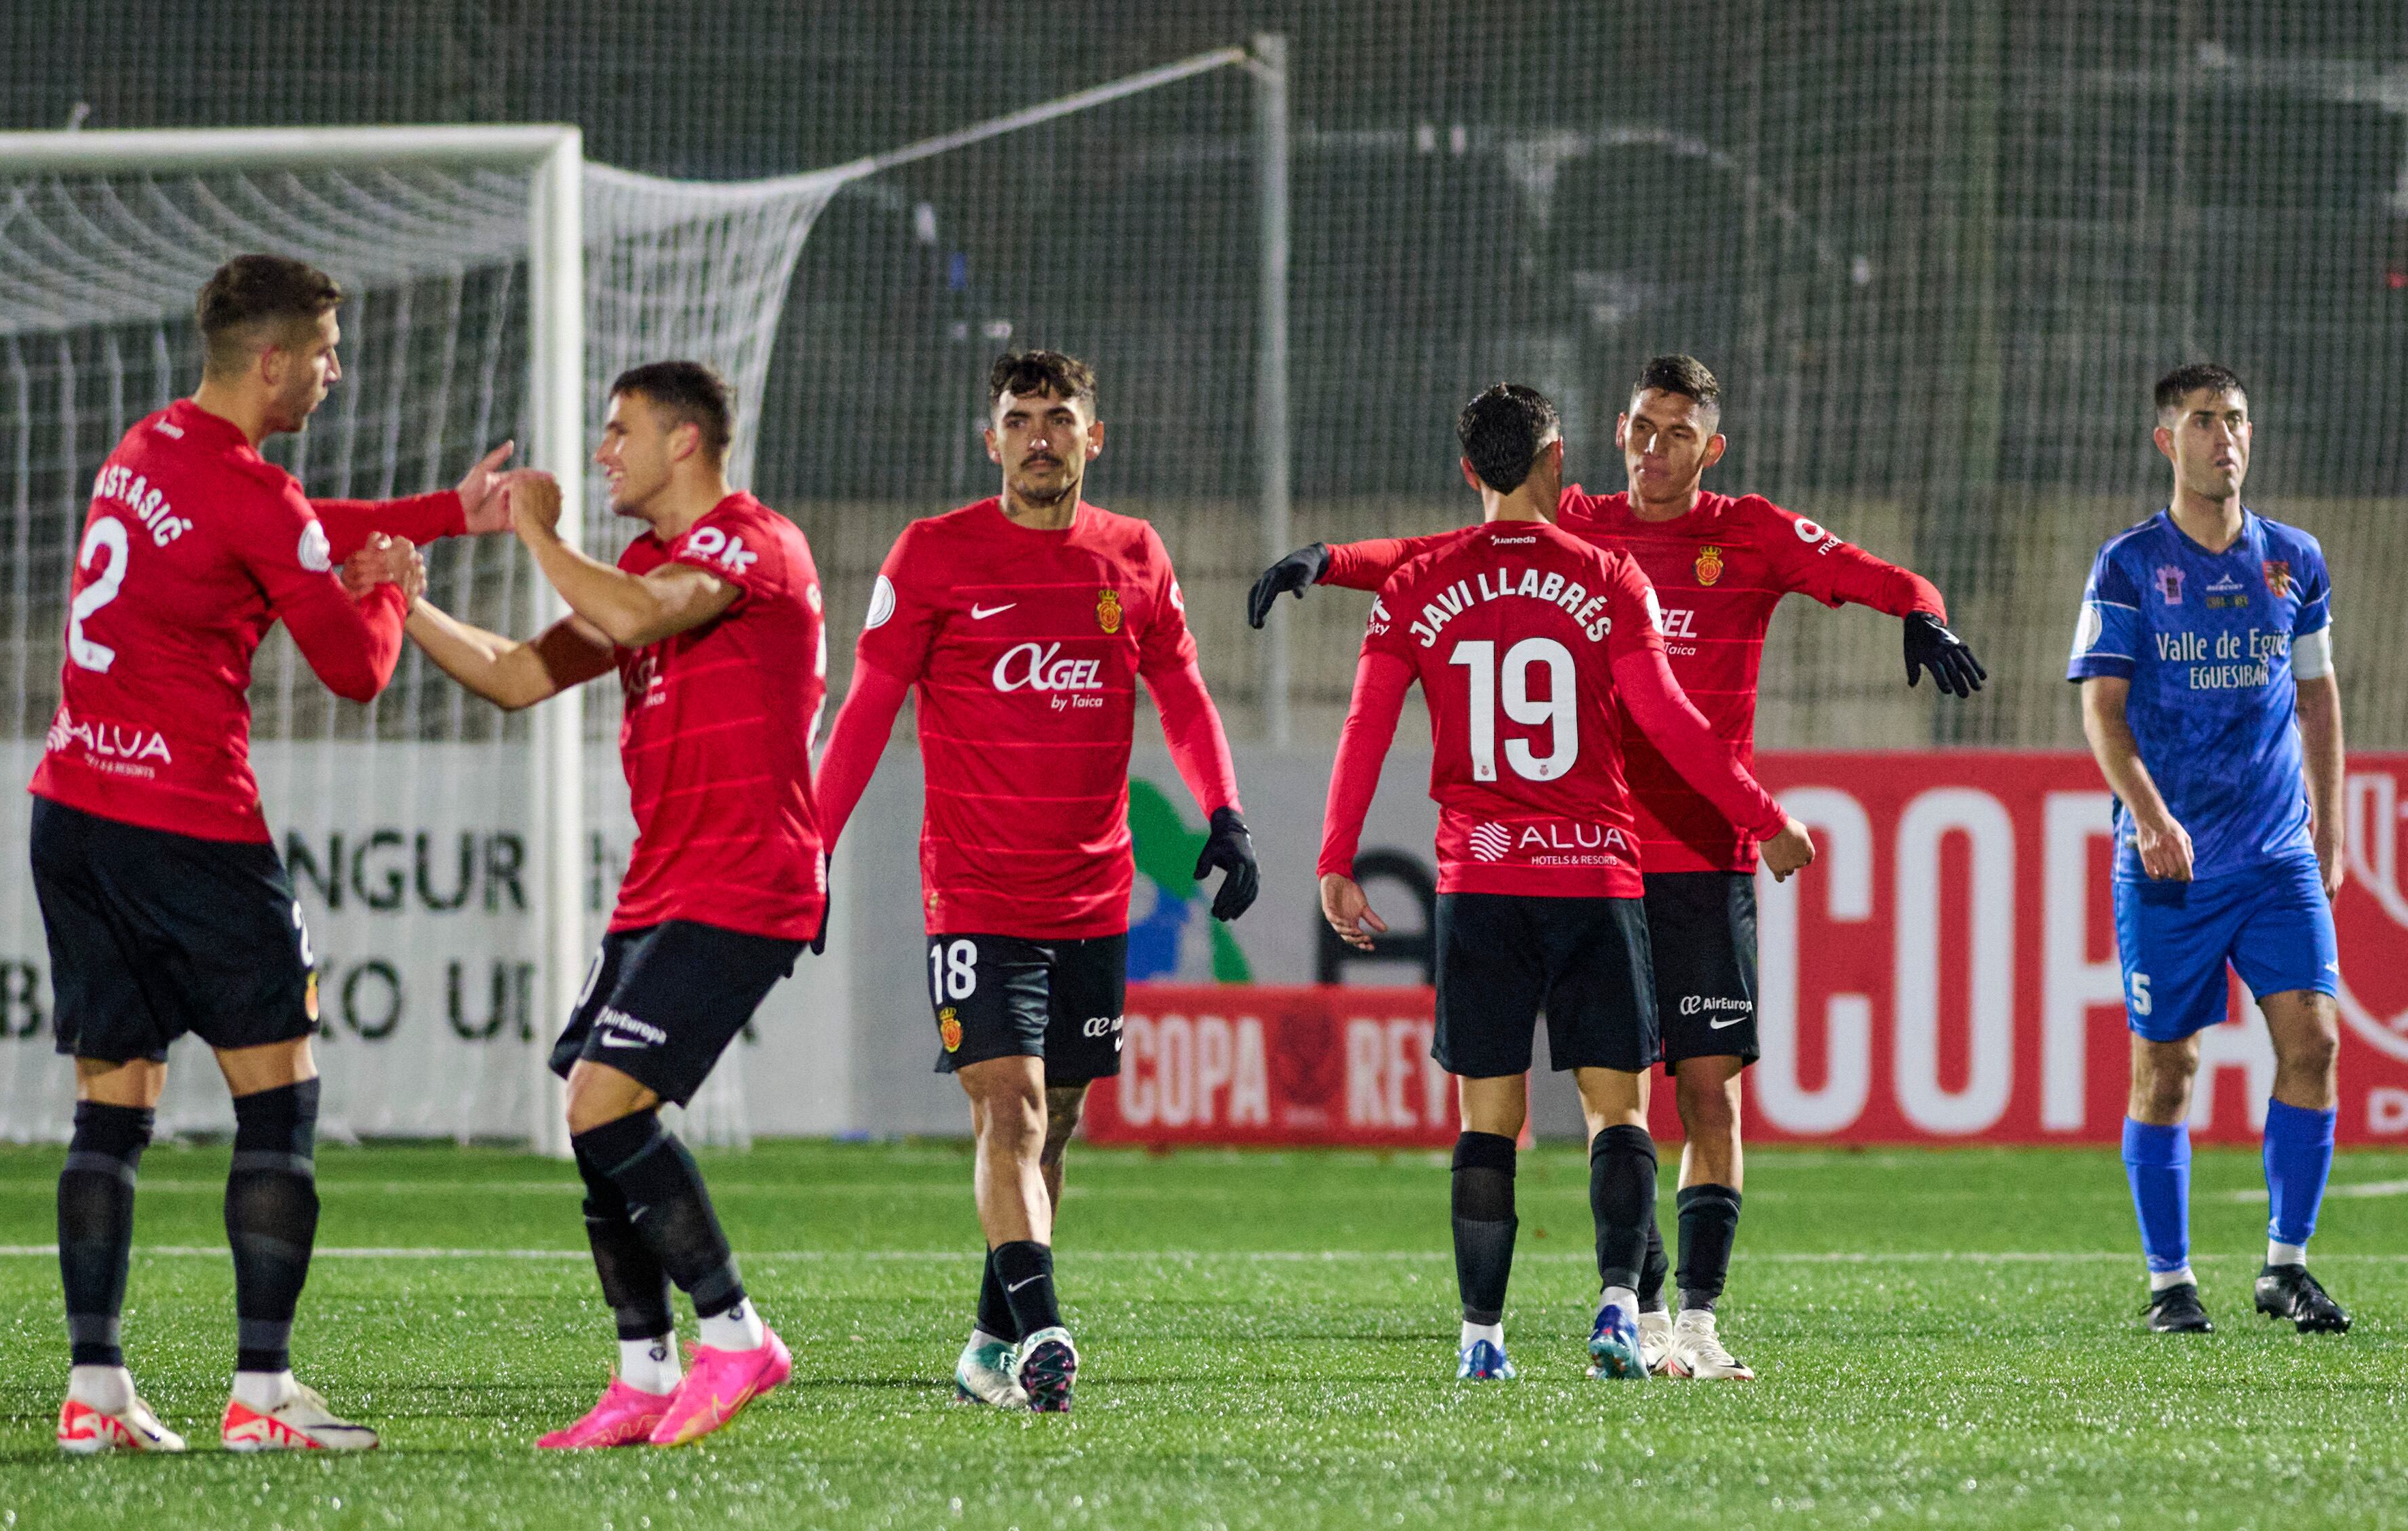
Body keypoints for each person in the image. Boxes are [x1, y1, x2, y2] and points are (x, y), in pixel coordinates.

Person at [1253, 354, 1981, 1379]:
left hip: (1705, 856)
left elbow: (1880, 577)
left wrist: (1923, 609)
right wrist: (1334, 559)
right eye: (1639, 428)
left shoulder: (1752, 531)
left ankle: (1696, 1318)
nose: (1651, 449)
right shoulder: (1586, 532)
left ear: (1710, 448)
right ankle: (1632, 1308)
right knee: (1623, 1094)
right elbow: (1444, 551)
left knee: (1709, 1092)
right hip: (1608, 856)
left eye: (1676, 433)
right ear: (1609, 437)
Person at [40, 253, 521, 1453]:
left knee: (112, 1108)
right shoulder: (256, 498)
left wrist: (440, 515)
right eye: (324, 349)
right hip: (189, 831)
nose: (335, 368)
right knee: (281, 1098)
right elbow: (354, 669)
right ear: (273, 361)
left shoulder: (144, 449)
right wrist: (397, 590)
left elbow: (297, 528)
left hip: (72, 810)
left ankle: (93, 1390)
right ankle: (262, 1392)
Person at [1315, 382, 1810, 1382]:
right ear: (1556, 459)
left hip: (1479, 885)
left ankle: (1482, 1341)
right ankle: (1621, 1309)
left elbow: (1364, 731)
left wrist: (1336, 858)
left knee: (1486, 1123)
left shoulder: (1414, 585)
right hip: (1593, 876)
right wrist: (1766, 817)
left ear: (1469, 472)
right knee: (1616, 1111)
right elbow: (1671, 722)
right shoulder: (1610, 575)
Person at [816, 350, 1258, 1413]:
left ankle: (987, 1343)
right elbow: (869, 708)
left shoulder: (1133, 557)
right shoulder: (934, 555)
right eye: (1021, 419)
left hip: (1094, 892)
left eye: (1060, 418)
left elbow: (1186, 697)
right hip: (973, 894)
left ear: (1092, 439)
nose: (1041, 436)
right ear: (992, 440)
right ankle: (1047, 1329)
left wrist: (1226, 811)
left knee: (1053, 1122)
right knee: (1007, 1110)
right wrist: (812, 844)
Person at [406, 361, 827, 1444]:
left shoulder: (751, 543)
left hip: (747, 881)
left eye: (617, 431)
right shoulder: (642, 565)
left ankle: (736, 1337)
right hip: (663, 883)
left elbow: (641, 616)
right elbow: (512, 673)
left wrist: (537, 533)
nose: (602, 453)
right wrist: (402, 604)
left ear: (684, 441)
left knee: (604, 1103)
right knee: (589, 1112)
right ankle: (644, 1368)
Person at [2067, 363, 2349, 1336]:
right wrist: (2147, 813)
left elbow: (2316, 694)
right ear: (2166, 441)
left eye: (2234, 420)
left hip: (2275, 854)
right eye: (2201, 421)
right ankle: (2169, 1282)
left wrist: (2332, 820)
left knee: (2315, 1041)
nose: (2222, 437)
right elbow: (2102, 710)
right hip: (2169, 862)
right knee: (2168, 1068)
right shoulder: (2130, 565)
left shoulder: (2294, 561)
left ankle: (2286, 1265)